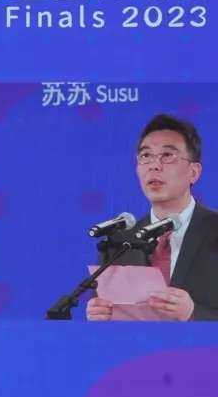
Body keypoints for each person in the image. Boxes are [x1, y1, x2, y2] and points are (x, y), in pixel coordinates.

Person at [87, 114, 218, 321]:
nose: (154, 165)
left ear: (194, 172)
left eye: (167, 155)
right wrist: (101, 318)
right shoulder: (119, 243)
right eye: (145, 156)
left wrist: (194, 313)